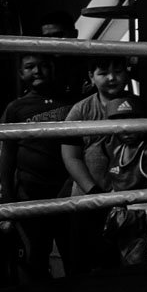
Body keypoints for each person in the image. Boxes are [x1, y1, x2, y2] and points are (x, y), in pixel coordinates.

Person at [1, 52, 75, 285]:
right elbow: (7, 156)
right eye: (30, 67)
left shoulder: (71, 103)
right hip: (30, 192)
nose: (37, 71)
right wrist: (8, 200)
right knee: (35, 256)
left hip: (66, 191)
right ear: (20, 73)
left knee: (73, 253)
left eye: (43, 65)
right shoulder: (16, 108)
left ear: (53, 68)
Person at [61, 57, 137, 273]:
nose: (112, 78)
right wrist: (94, 193)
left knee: (128, 264)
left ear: (127, 73)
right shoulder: (81, 110)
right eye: (103, 73)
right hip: (88, 201)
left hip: (128, 201)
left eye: (118, 71)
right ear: (91, 77)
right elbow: (71, 157)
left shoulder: (138, 106)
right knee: (86, 266)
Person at [98, 96, 147, 266]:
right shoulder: (117, 150)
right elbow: (113, 183)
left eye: (132, 124)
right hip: (119, 214)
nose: (127, 131)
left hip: (143, 215)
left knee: (144, 264)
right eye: (121, 126)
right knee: (123, 263)